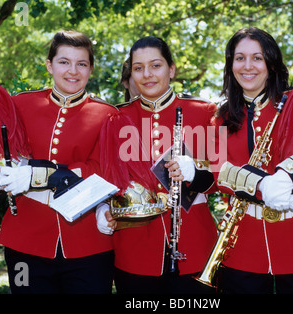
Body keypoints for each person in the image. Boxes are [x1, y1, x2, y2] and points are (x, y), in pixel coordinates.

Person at [0, 30, 117, 294]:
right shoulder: (21, 104)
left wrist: (39, 175)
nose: (72, 71)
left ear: (90, 69)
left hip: (88, 242)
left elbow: (105, 169)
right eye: (64, 62)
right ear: (49, 65)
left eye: (82, 64)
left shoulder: (108, 115)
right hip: (25, 243)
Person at [210, 27, 293, 294]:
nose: (248, 66)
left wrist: (286, 178)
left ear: (271, 63)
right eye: (239, 58)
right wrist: (262, 186)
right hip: (243, 239)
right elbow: (217, 169)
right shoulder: (220, 117)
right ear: (230, 64)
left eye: (257, 58)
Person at [99, 36, 218, 294]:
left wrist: (195, 173)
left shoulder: (204, 111)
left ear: (171, 69)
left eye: (156, 65)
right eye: (138, 68)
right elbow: (106, 176)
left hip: (194, 243)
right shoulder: (117, 117)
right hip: (134, 249)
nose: (147, 74)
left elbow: (218, 179)